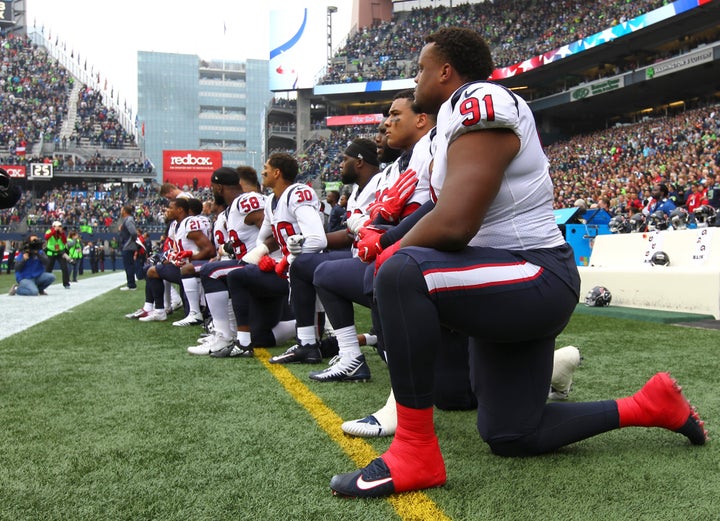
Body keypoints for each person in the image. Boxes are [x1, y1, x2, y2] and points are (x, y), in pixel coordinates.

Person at [329, 27, 707, 499]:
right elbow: (438, 209)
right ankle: (649, 406)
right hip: (505, 276)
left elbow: (456, 223)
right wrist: (388, 236)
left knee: (403, 272)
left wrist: (389, 251)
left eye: (422, 68)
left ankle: (414, 451)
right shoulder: (449, 123)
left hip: (536, 272)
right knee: (511, 433)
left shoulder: (480, 98)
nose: (416, 77)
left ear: (446, 70)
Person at [225, 152, 327, 352]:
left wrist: (285, 260)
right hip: (285, 271)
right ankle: (246, 340)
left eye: (266, 168)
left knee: (316, 344)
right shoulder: (272, 200)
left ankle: (245, 342)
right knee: (259, 335)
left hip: (305, 272)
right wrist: (268, 257)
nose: (263, 172)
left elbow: (318, 240)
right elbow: (262, 239)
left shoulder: (298, 193)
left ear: (277, 173)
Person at [44, 220, 70, 289]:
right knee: (48, 268)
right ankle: (44, 283)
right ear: (54, 226)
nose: (60, 228)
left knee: (64, 268)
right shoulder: (49, 231)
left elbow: (64, 242)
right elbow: (46, 237)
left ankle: (66, 283)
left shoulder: (61, 233)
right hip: (51, 252)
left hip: (60, 252)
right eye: (59, 226)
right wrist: (54, 231)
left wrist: (62, 233)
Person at [118, 205, 138, 290]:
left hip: (128, 246)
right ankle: (130, 283)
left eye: (122, 210)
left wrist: (130, 242)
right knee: (128, 266)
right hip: (128, 245)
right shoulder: (127, 220)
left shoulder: (129, 220)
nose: (121, 211)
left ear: (125, 211)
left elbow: (133, 232)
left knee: (129, 266)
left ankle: (131, 285)